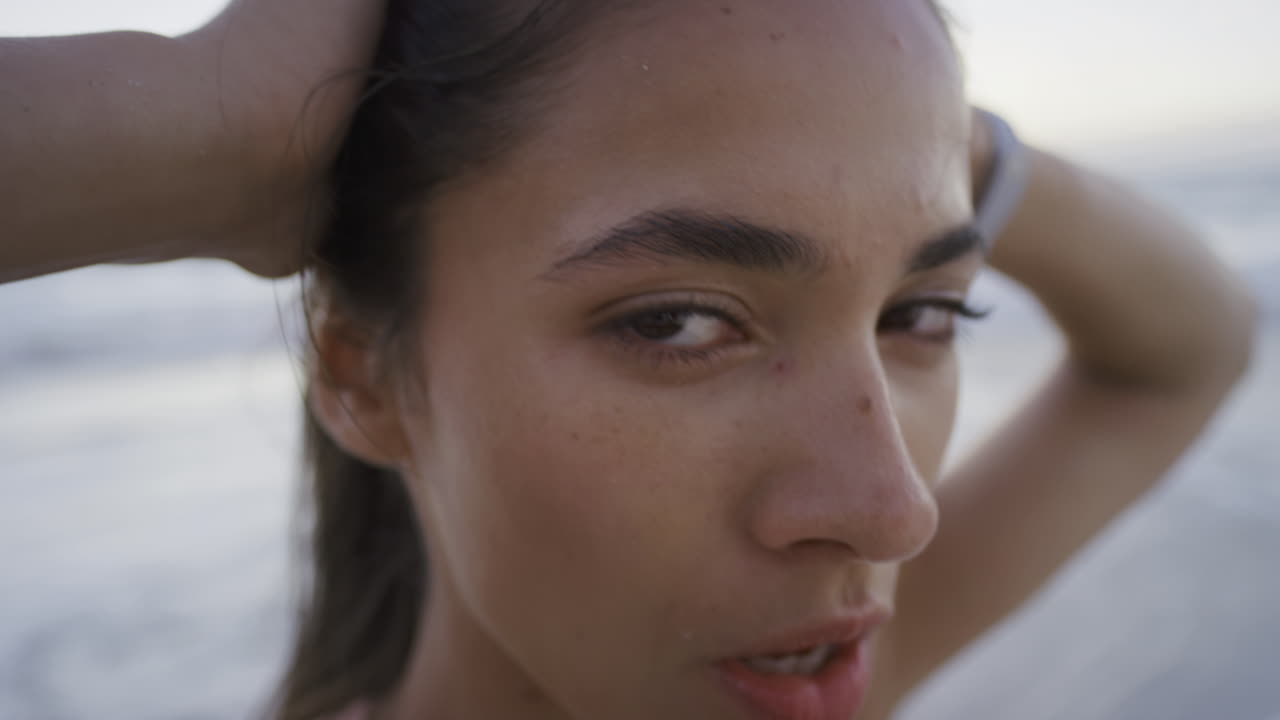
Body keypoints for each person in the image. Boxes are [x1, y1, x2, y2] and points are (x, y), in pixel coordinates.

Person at [1, 1, 1257, 719]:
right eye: (678, 323)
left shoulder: (796, 670)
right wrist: (210, 120)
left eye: (919, 313)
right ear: (358, 370)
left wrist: (909, 118)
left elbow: (1190, 339)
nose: (893, 511)